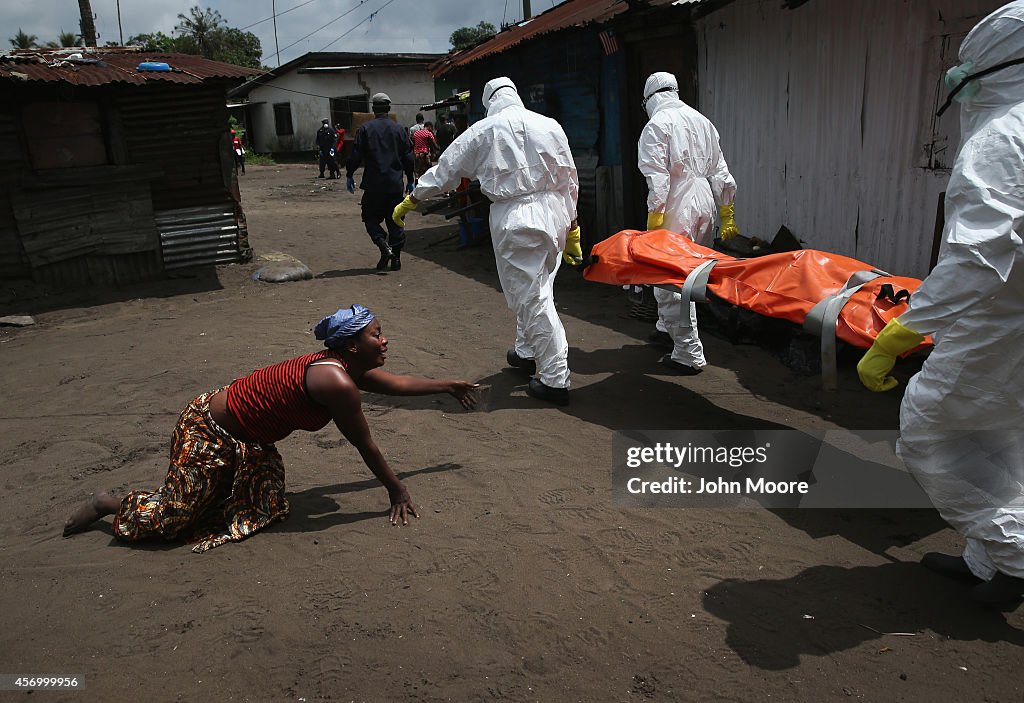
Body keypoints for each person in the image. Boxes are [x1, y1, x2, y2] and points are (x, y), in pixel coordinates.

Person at [62, 305, 479, 552]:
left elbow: (398, 385)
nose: (384, 340)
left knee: (259, 508)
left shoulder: (344, 367)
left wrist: (447, 385)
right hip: (207, 430)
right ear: (352, 346)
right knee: (172, 520)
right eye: (376, 335)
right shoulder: (335, 381)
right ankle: (107, 503)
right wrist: (397, 489)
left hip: (250, 441)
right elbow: (364, 444)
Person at [857, 1, 1024, 606]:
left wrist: (903, 330)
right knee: (1003, 437)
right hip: (1013, 321)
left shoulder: (1003, 138)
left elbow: (977, 260)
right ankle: (991, 563)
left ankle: (1013, 553)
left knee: (928, 430)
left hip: (997, 320)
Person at [391, 77, 582, 406]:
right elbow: (570, 176)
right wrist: (574, 225)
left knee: (532, 297)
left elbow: (446, 170)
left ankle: (555, 378)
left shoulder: (485, 130)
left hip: (518, 218)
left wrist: (413, 197)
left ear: (488, 100)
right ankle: (526, 351)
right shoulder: (550, 125)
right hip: (555, 215)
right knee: (538, 287)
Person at [637, 71, 739, 376]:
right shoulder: (703, 121)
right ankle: (665, 329)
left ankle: (688, 353)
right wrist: (727, 212)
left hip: (676, 204)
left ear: (650, 98)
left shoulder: (656, 125)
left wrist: (655, 219)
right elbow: (722, 172)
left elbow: (658, 180)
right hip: (704, 201)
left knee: (671, 281)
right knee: (692, 273)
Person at [346, 93, 415, 272]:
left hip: (373, 185)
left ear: (373, 109)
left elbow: (356, 155)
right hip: (394, 185)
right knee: (396, 220)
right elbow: (408, 157)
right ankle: (396, 259)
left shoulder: (365, 129)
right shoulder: (399, 130)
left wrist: (349, 174)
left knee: (369, 218)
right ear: (388, 108)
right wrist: (410, 179)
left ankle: (383, 245)